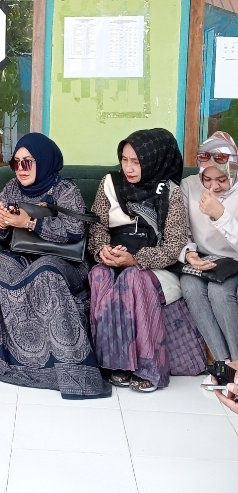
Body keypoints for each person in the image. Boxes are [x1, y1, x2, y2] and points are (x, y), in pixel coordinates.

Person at [0, 133, 111, 400]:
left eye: (27, 162)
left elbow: (75, 231)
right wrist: (1, 223)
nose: (21, 169)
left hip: (66, 264)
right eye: (16, 163)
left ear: (44, 161)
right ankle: (19, 361)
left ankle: (72, 371)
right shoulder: (13, 188)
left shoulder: (65, 190)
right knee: (5, 264)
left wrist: (30, 223)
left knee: (46, 270)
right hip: (27, 256)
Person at [88, 128, 188, 393]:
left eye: (137, 161)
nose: (129, 168)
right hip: (115, 259)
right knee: (99, 274)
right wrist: (102, 250)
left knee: (133, 277)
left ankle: (149, 368)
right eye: (124, 159)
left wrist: (136, 260)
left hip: (155, 267)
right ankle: (115, 363)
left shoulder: (171, 193)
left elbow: (174, 246)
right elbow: (97, 225)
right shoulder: (110, 183)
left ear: (154, 160)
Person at [180, 131, 238, 362]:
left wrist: (221, 215)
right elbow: (181, 229)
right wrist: (190, 253)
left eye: (222, 180)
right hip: (204, 258)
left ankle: (237, 362)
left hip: (234, 260)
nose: (213, 187)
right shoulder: (189, 185)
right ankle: (222, 363)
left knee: (219, 291)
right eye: (207, 179)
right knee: (190, 285)